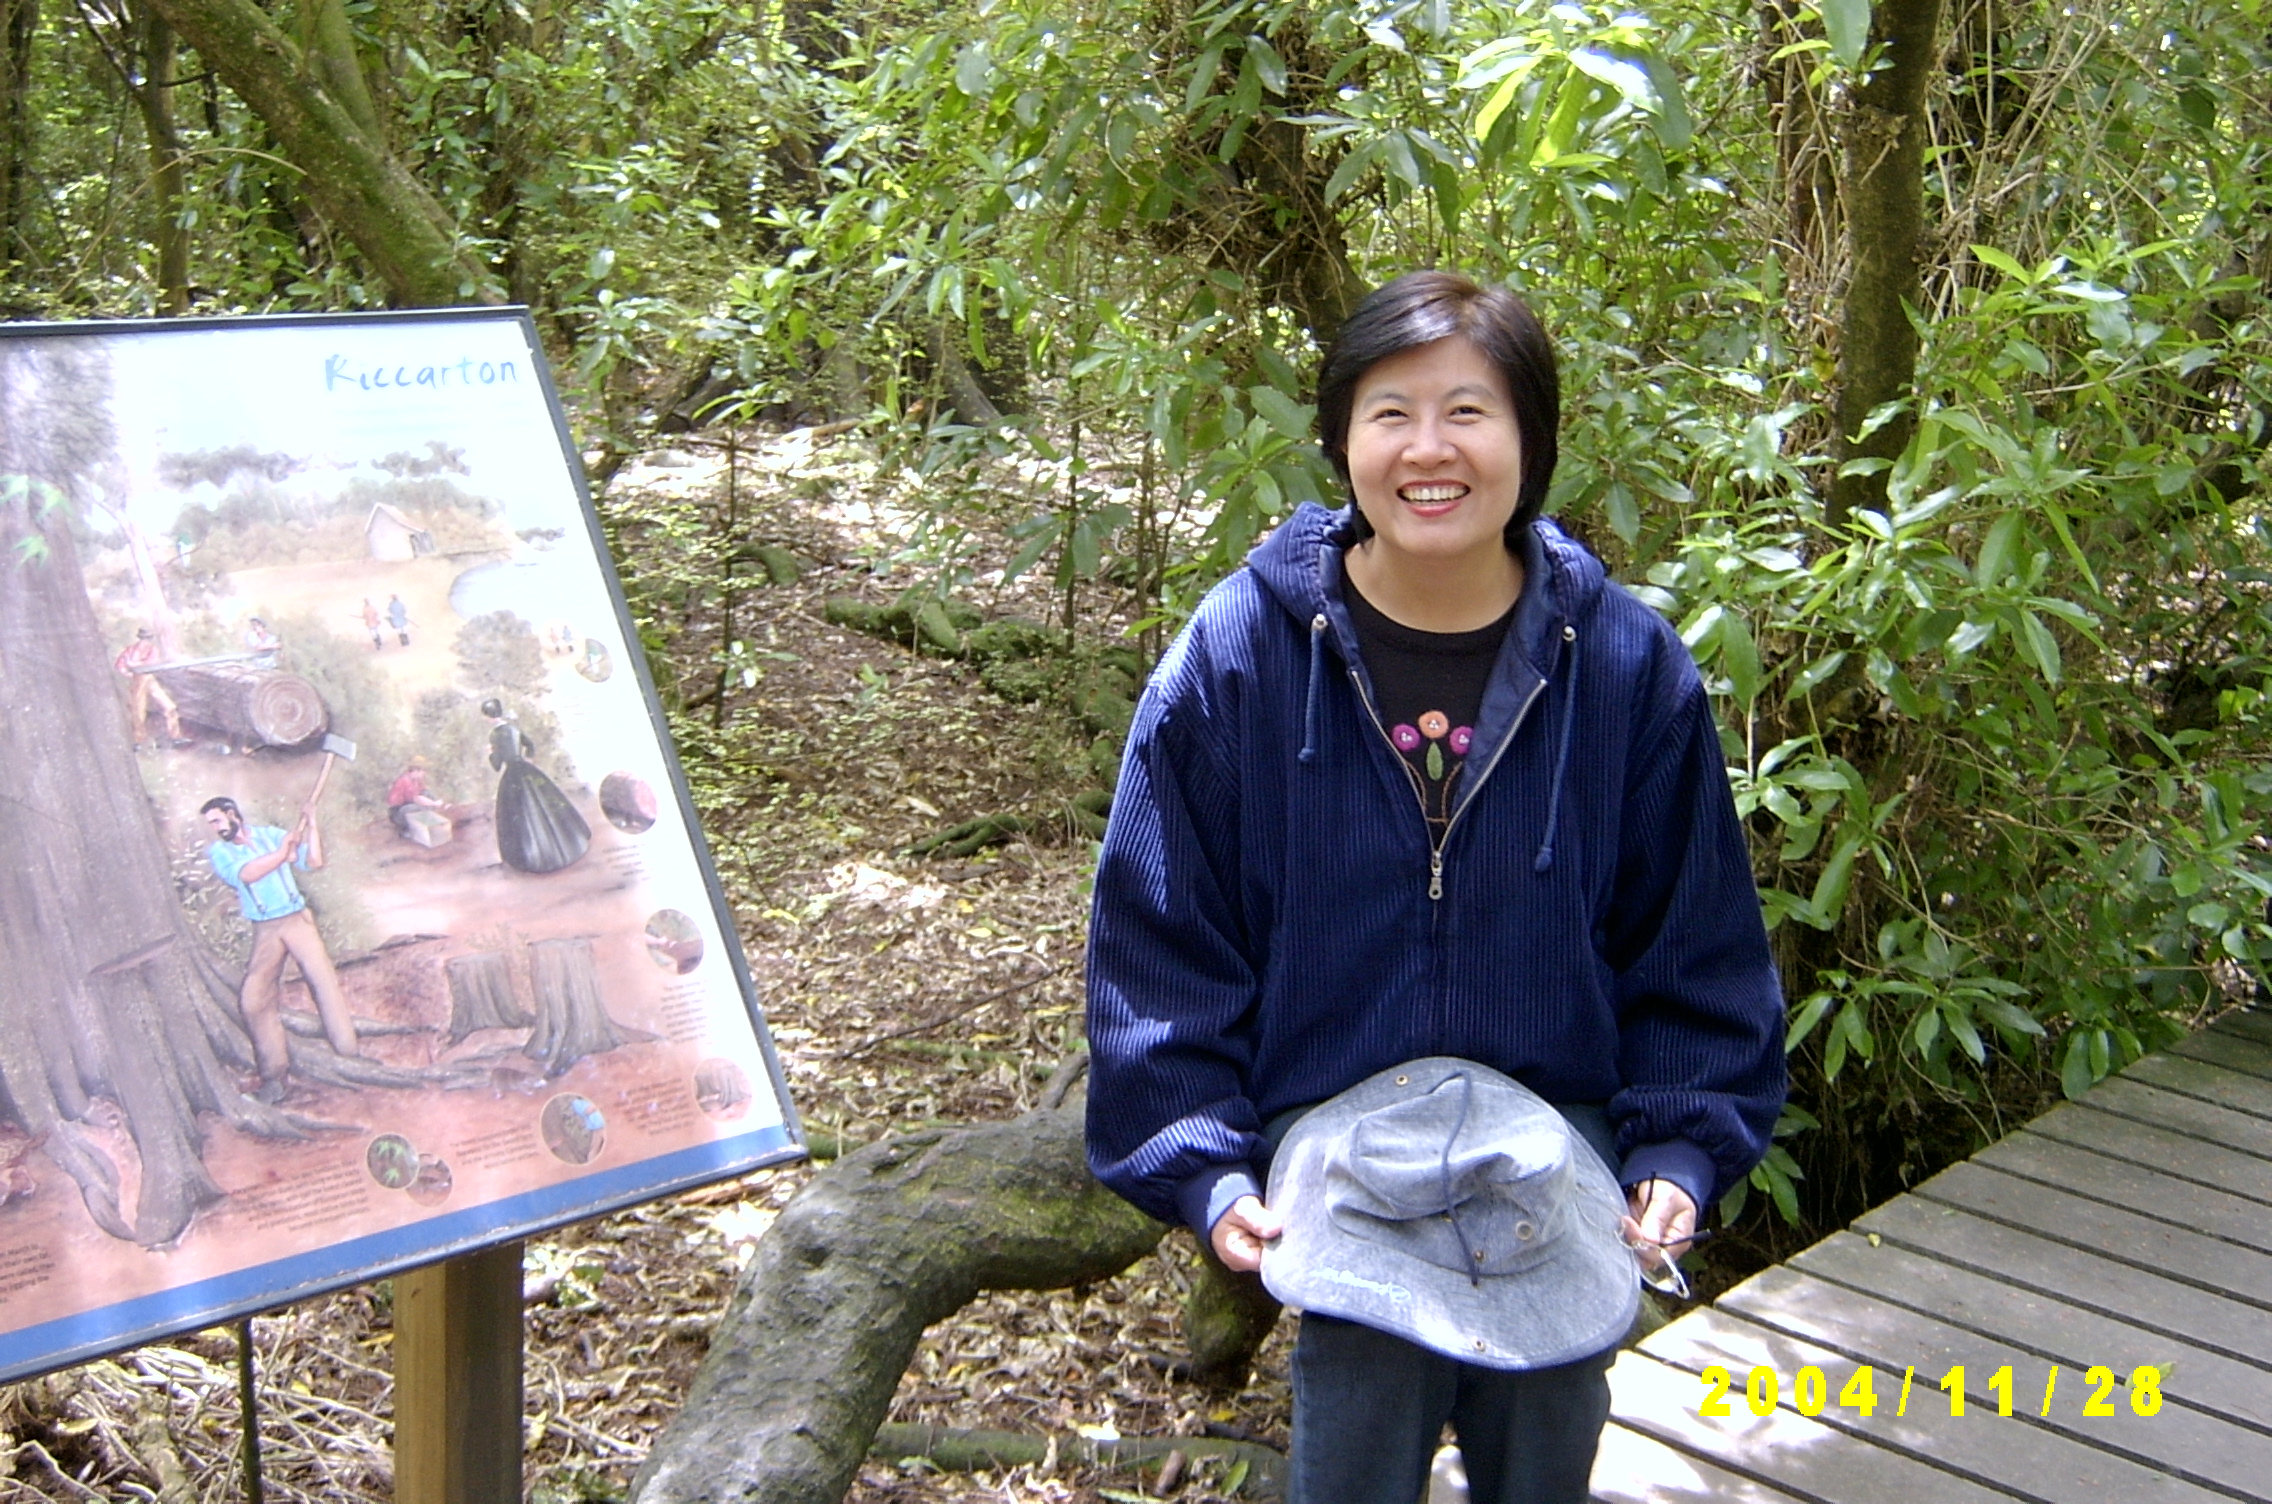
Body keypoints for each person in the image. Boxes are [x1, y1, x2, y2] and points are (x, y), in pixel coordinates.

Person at [1084, 272, 1786, 1504]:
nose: (1428, 449)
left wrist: (1680, 1143)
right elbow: (1159, 939)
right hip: (1331, 1124)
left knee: (1553, 1387)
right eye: (1390, 413)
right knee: (1361, 1378)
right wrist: (1202, 1163)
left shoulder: (1623, 664)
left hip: (1553, 1125)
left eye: (1468, 411)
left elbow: (1692, 939)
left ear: (1530, 439)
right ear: (1340, 439)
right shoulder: (1239, 655)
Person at [201, 795, 362, 1101]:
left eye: (218, 820)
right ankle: (275, 1076)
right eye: (211, 824)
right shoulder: (221, 852)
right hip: (266, 929)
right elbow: (247, 874)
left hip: (297, 920)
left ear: (232, 813)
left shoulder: (270, 835)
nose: (216, 828)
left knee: (324, 985)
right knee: (253, 1001)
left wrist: (311, 825)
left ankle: (350, 1058)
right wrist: (281, 853)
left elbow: (313, 862)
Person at [482, 698, 590, 872]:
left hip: (512, 775)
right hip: (527, 770)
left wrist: (490, 753)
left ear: (488, 716)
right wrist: (528, 759)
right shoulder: (514, 728)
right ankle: (566, 847)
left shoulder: (495, 735)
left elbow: (496, 765)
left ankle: (533, 859)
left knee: (520, 813)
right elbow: (530, 745)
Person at [113, 627, 184, 749]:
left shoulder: (152, 650)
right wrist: (129, 673)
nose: (145, 641)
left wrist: (134, 665)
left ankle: (175, 736)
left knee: (170, 706)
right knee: (138, 712)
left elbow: (149, 663)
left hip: (148, 679)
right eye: (143, 639)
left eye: (147, 639)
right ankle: (139, 741)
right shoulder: (130, 650)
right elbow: (120, 665)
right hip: (137, 681)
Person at [386, 755, 448, 837]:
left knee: (426, 793)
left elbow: (424, 791)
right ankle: (405, 829)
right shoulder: (405, 781)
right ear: (416, 770)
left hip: (408, 804)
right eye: (423, 770)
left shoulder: (416, 781)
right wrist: (434, 804)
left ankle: (439, 807)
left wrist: (437, 801)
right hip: (398, 812)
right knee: (417, 807)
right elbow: (418, 799)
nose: (424, 773)